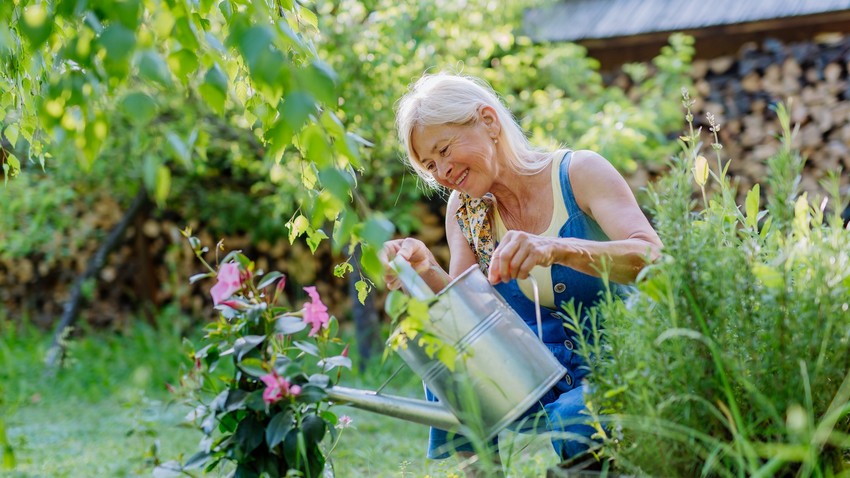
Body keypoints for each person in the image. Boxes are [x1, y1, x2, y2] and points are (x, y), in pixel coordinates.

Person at [381, 72, 662, 475]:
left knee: (576, 418)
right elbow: (469, 318)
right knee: (443, 338)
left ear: (489, 121)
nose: (441, 171)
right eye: (429, 164)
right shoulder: (466, 210)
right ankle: (483, 472)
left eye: (444, 149)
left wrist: (557, 248)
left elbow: (653, 256)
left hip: (617, 362)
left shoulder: (578, 172)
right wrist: (425, 270)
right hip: (535, 370)